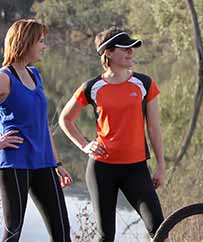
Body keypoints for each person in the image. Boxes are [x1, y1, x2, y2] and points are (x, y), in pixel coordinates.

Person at [0, 19, 73, 242]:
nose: (44, 46)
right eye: (40, 41)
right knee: (13, 232)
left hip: (43, 162)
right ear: (25, 42)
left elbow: (42, 123)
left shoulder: (35, 74)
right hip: (14, 161)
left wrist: (57, 163)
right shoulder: (3, 78)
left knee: (62, 232)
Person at [56, 28, 166, 242]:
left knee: (159, 229)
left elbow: (153, 128)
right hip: (101, 169)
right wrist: (84, 145)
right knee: (106, 236)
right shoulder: (92, 87)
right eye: (125, 48)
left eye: (132, 48)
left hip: (136, 168)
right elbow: (65, 119)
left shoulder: (145, 84)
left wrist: (161, 166)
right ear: (108, 52)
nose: (131, 52)